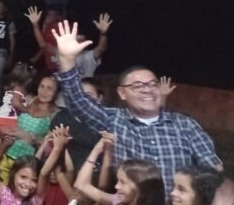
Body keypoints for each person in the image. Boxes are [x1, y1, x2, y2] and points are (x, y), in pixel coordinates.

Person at [52, 20, 222, 192]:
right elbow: (78, 103)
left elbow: (212, 169)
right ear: (122, 93)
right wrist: (67, 60)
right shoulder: (115, 121)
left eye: (152, 84)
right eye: (138, 86)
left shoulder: (185, 125)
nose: (147, 90)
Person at [0, 75, 58, 180]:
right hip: (8, 153)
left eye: (49, 88)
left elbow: (49, 146)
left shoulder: (55, 114)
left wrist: (29, 136)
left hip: (26, 162)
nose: (44, 91)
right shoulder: (29, 101)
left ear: (56, 93)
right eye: (42, 86)